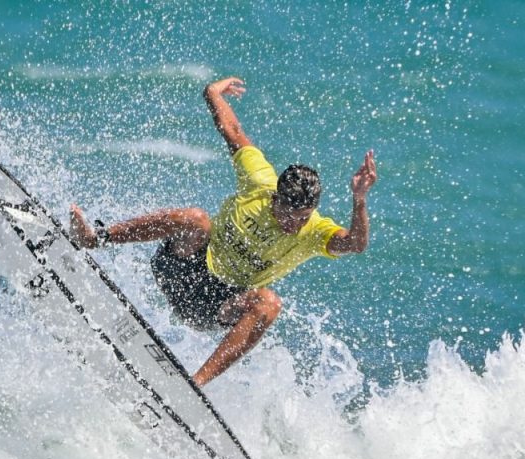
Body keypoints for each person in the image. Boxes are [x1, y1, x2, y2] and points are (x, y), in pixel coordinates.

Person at [69, 76, 377, 387]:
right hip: (181, 268)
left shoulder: (314, 232)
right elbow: (233, 132)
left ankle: (194, 385)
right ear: (275, 198)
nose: (294, 225)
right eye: (288, 215)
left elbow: (355, 243)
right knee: (197, 219)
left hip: (213, 306)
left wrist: (359, 199)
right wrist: (212, 92)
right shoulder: (259, 183)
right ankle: (95, 238)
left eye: (303, 218)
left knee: (269, 303)